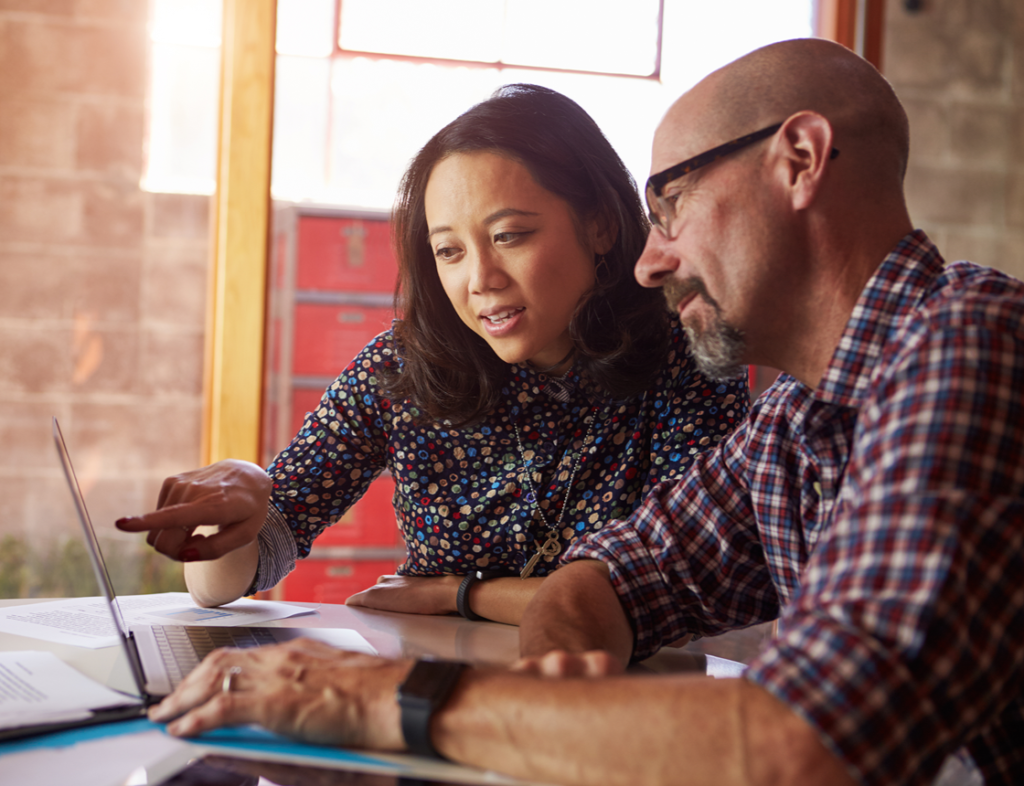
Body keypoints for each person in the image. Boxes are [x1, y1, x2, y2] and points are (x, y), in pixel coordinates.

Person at [142, 38, 1024, 786]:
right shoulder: (796, 413)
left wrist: (384, 696)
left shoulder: (969, 343)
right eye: (449, 249)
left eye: (670, 205)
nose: (653, 259)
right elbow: (615, 576)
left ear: (799, 160)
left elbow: (808, 742)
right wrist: (549, 704)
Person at [116, 84, 748, 625]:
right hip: (438, 704)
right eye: (450, 251)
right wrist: (247, 498)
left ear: (600, 225)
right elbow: (224, 584)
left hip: (619, 713)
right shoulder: (402, 368)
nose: (481, 279)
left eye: (509, 236)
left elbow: (683, 587)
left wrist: (463, 596)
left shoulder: (685, 357)